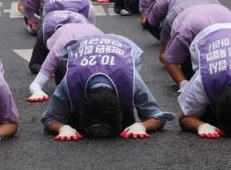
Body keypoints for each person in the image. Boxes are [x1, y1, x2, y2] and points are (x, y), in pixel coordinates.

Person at [41, 34, 173, 140]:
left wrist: (142, 125)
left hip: (124, 46)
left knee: (128, 125)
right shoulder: (70, 81)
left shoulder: (131, 79)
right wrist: (62, 128)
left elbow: (157, 116)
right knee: (72, 123)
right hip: (82, 47)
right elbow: (50, 118)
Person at [162, 4, 231, 90]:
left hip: (221, 16)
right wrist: (184, 85)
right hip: (190, 24)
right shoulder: (186, 33)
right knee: (191, 78)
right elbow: (170, 61)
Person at [27, 21, 104, 101]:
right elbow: (36, 83)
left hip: (91, 31)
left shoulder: (103, 56)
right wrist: (37, 92)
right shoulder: (57, 53)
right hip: (62, 31)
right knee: (61, 85)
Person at [28, 10, 93, 74]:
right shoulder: (46, 31)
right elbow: (34, 65)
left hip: (82, 29)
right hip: (51, 22)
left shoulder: (88, 35)